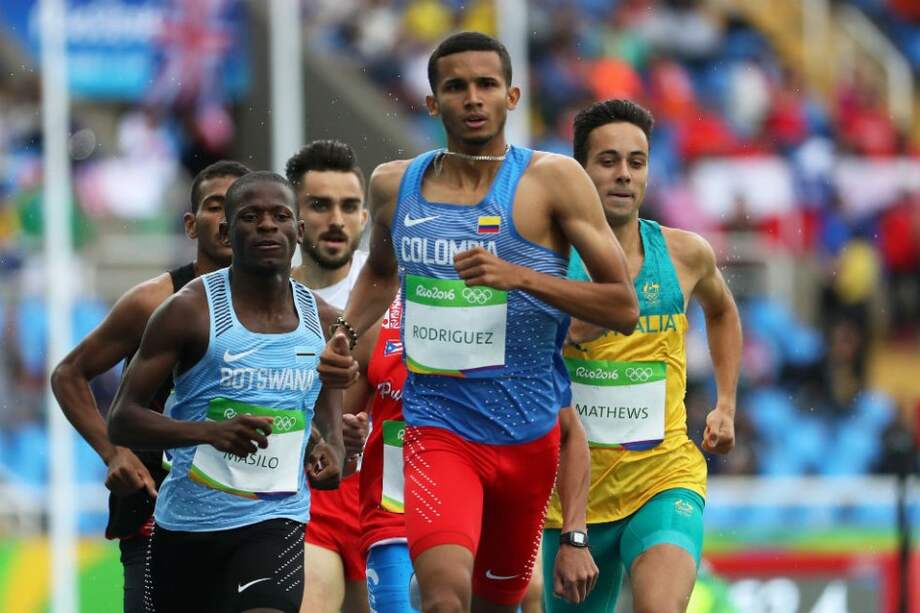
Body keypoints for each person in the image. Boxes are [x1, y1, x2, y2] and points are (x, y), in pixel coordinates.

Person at [319, 31, 638, 613]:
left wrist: (521, 276)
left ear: (511, 97)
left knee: (498, 603)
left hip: (527, 436)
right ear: (432, 102)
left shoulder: (553, 181)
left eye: (486, 85)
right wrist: (344, 332)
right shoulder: (394, 184)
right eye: (456, 87)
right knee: (444, 599)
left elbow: (621, 306)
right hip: (438, 427)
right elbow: (381, 275)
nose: (472, 98)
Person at [107, 171, 346, 613]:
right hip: (186, 528)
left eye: (280, 216)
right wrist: (210, 433)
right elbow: (122, 418)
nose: (267, 226)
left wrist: (332, 451)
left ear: (299, 231)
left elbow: (327, 418)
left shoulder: (326, 321)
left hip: (275, 521)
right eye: (251, 217)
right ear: (226, 231)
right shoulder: (188, 311)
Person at [541, 99, 742, 613]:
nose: (624, 175)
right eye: (607, 162)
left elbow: (722, 312)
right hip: (568, 502)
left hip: (663, 475)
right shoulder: (547, 261)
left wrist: (725, 403)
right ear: (580, 171)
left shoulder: (684, 254)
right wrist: (566, 334)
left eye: (636, 161)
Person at [50, 160, 250, 612]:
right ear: (190, 224)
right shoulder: (153, 301)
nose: (227, 219)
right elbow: (69, 374)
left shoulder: (286, 306)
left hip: (250, 516)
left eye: (239, 208)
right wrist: (113, 452)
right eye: (215, 207)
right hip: (157, 515)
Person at [350, 293, 595, 613]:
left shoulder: (510, 322)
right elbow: (335, 457)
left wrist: (573, 535)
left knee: (528, 593)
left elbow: (569, 432)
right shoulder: (379, 321)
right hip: (394, 524)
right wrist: (346, 441)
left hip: (480, 530)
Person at [285, 139, 370, 613]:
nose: (335, 219)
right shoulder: (262, 300)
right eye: (319, 205)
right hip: (307, 495)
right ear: (293, 215)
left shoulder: (398, 294)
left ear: (364, 218)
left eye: (349, 206)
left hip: (390, 496)